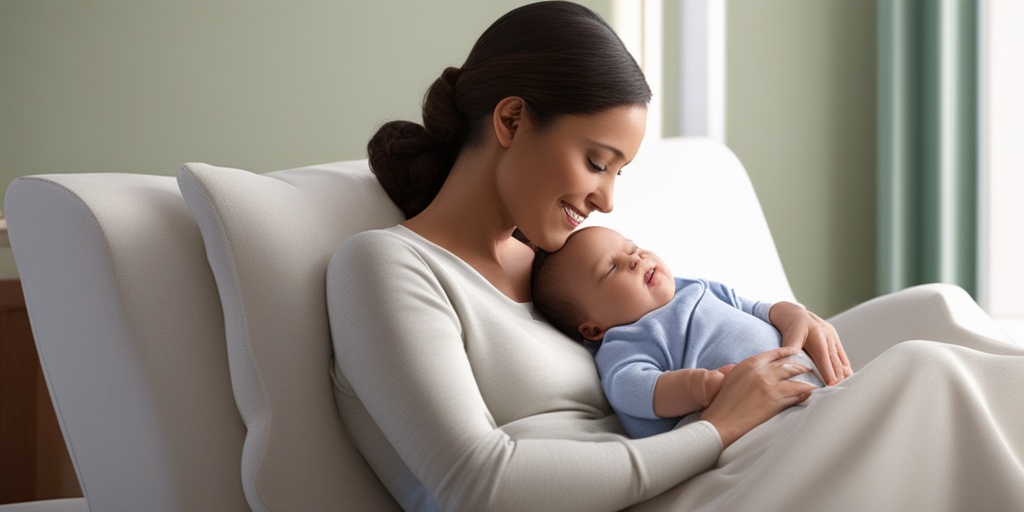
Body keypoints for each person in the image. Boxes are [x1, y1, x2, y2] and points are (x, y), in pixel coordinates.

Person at [327, 2, 1024, 511]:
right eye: (597, 162)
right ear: (510, 121)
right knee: (925, 377)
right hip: (682, 477)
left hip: (710, 463)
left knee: (944, 323)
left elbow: (692, 314)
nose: (605, 202)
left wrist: (789, 317)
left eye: (619, 173)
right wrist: (720, 426)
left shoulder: (558, 259)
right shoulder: (385, 268)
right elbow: (476, 485)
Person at [531, 225, 836, 438]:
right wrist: (699, 387)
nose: (635, 259)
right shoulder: (625, 341)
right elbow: (630, 388)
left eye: (633, 248)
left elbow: (754, 307)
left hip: (817, 388)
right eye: (612, 268)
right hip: (756, 425)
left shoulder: (693, 287)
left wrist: (793, 313)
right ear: (594, 328)